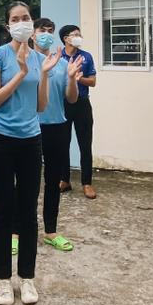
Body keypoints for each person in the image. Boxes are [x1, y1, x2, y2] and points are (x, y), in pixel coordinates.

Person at [0, 1, 62, 305]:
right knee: (5, 210)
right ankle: (3, 280)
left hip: (31, 141)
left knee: (29, 212)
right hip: (1, 141)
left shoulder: (40, 57)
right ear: (8, 26)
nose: (22, 23)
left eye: (26, 18)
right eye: (15, 19)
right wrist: (19, 72)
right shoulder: (0, 55)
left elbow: (41, 106)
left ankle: (27, 278)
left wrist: (42, 74)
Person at [33, 18, 79, 253]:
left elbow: (71, 99)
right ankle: (18, 231)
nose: (47, 34)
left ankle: (51, 231)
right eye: (42, 30)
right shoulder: (26, 62)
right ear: (32, 34)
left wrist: (71, 78)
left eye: (50, 31)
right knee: (26, 182)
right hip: (30, 128)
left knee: (53, 182)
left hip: (57, 127)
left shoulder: (63, 64)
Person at [58, 24, 97, 198]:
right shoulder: (58, 58)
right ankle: (64, 180)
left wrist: (80, 79)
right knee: (62, 143)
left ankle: (87, 183)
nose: (78, 37)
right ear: (66, 38)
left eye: (79, 34)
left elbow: (93, 82)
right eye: (75, 34)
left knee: (85, 144)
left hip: (82, 103)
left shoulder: (86, 57)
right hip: (63, 104)